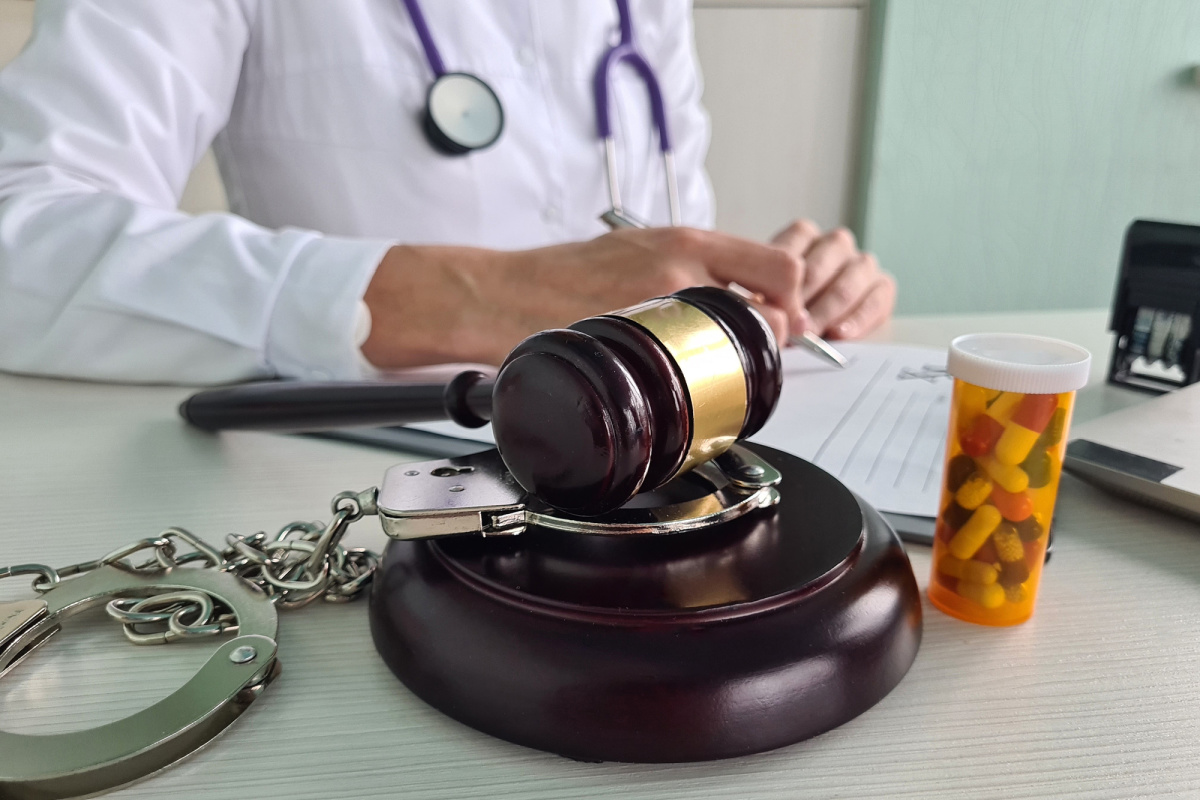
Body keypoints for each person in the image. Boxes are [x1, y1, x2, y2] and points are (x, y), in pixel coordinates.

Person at [0, 1, 894, 384]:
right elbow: (21, 235)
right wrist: (486, 297)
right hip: (363, 498)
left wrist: (765, 287)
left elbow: (641, 240)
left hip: (641, 470)